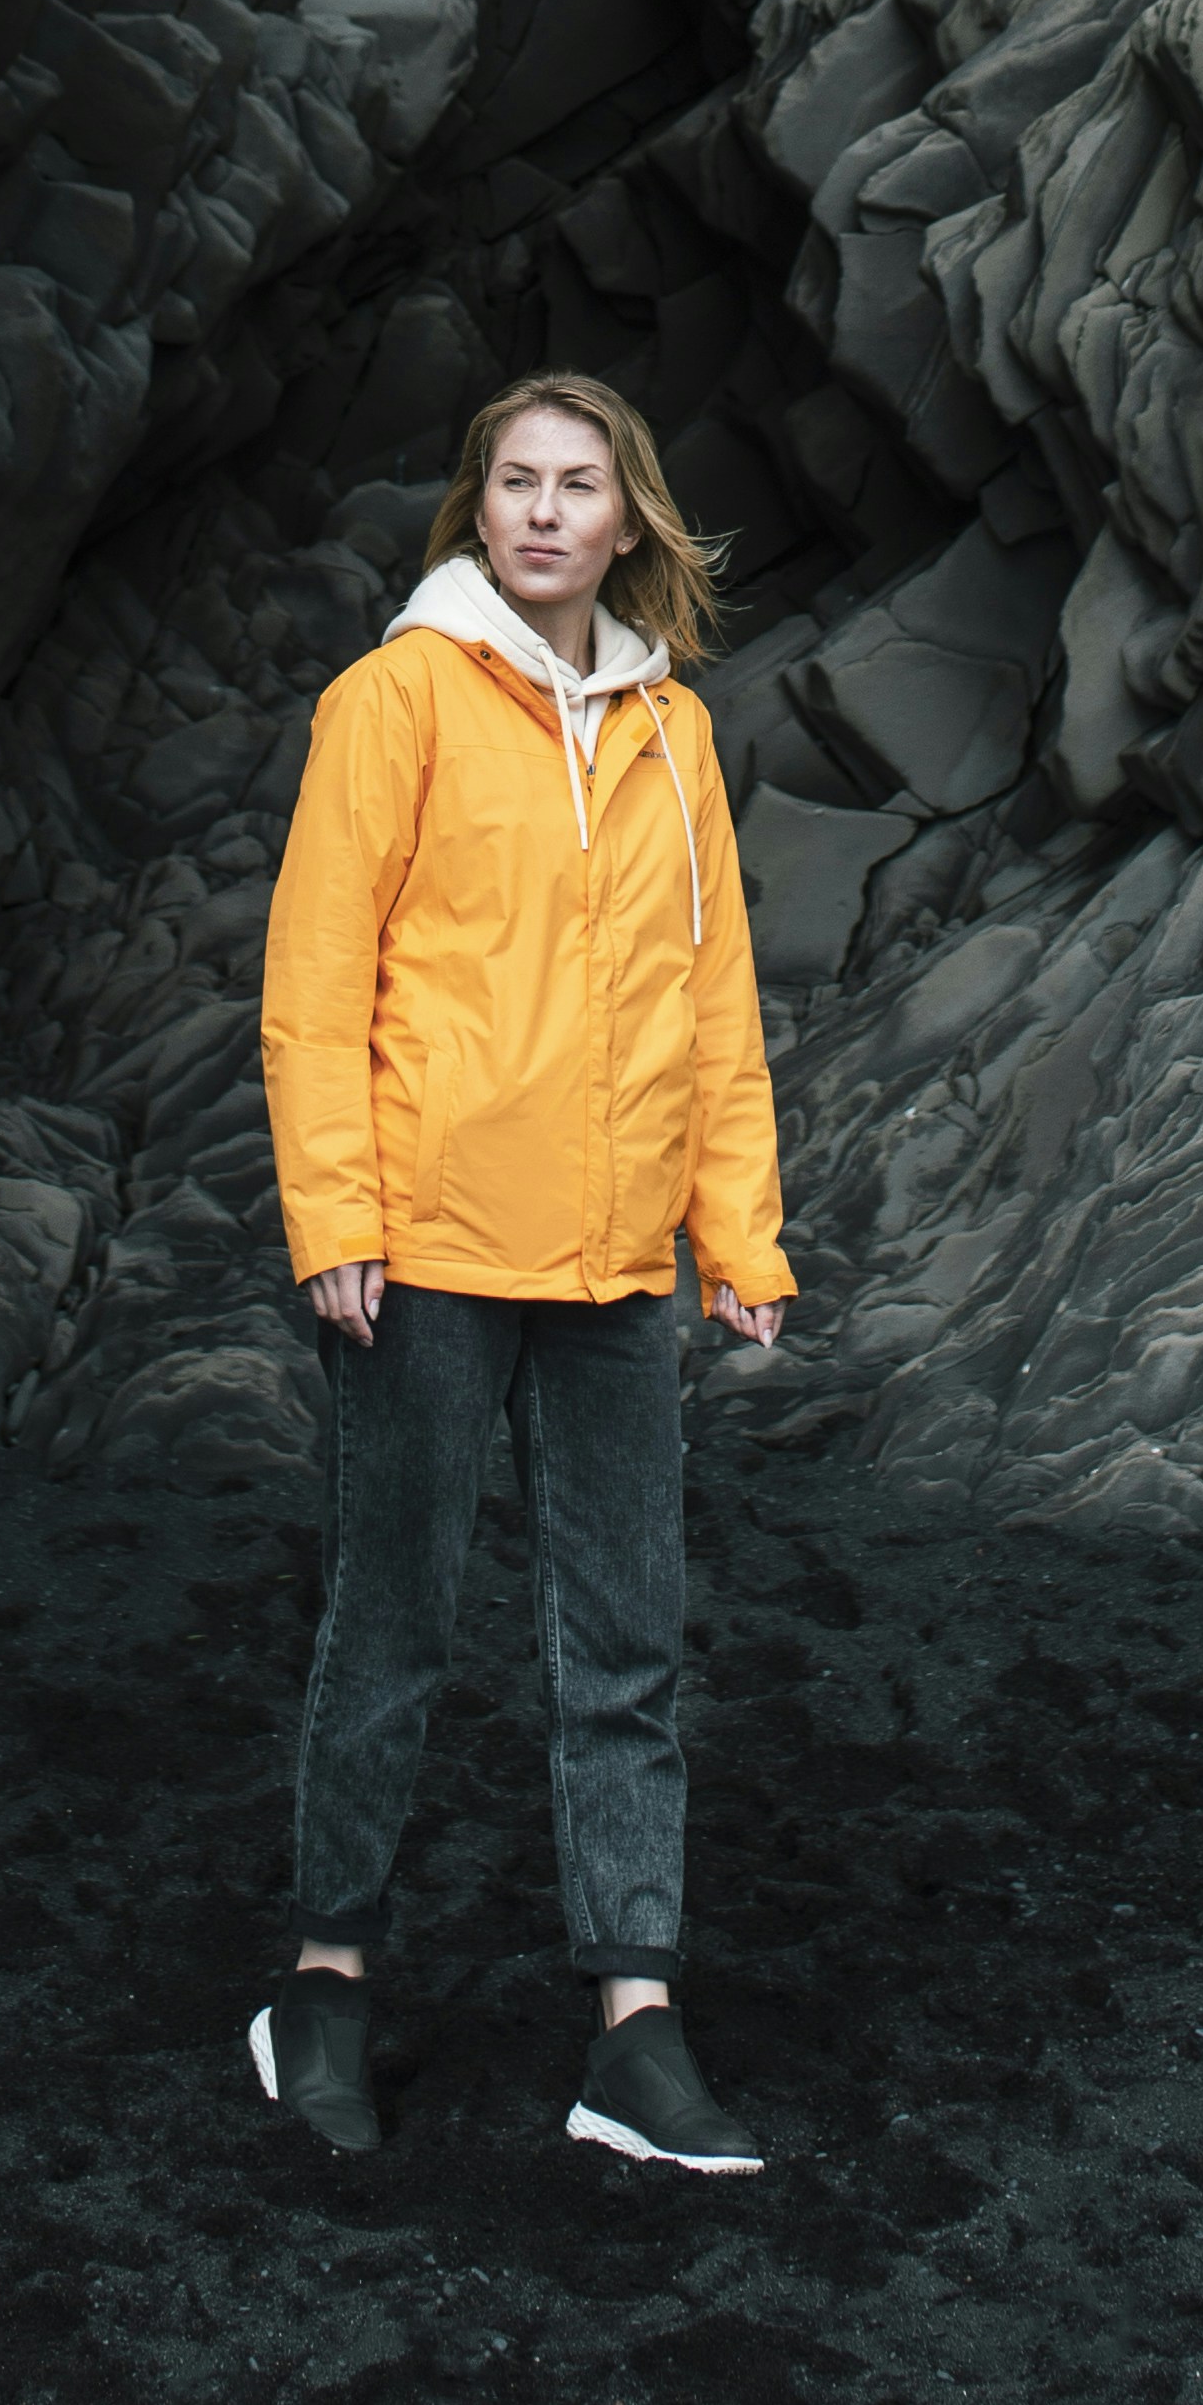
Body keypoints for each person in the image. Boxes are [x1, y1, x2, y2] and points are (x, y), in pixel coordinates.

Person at [248, 373, 794, 2173]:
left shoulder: (672, 736)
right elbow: (317, 983)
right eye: (515, 483)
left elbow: (715, 1007)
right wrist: (335, 1220)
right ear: (477, 510)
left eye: (579, 486)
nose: (546, 513)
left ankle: (634, 2034)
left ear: (627, 517)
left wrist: (741, 1234)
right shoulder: (391, 703)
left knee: (625, 1646)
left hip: (622, 1262)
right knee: (391, 1628)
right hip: (428, 1256)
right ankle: (322, 1986)